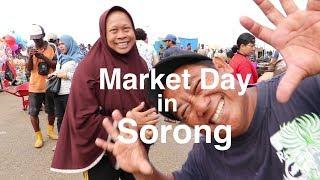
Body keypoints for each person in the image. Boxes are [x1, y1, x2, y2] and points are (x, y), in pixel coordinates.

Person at [95, 0, 320, 179]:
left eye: (198, 85)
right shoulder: (207, 154)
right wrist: (144, 173)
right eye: (184, 112)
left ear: (222, 67)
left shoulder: (304, 90)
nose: (201, 106)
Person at [51, 6, 159, 180]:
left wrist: (148, 127)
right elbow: (82, 119)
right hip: (100, 154)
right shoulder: (88, 69)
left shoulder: (140, 65)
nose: (122, 35)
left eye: (126, 29)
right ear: (104, 33)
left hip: (134, 149)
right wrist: (127, 121)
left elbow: (146, 106)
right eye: (114, 30)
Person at [26, 24, 58, 148]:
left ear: (43, 36)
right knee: (33, 113)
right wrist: (30, 57)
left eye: (38, 38)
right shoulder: (30, 49)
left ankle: (50, 131)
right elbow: (29, 70)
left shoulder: (52, 47)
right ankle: (38, 137)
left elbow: (55, 65)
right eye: (34, 39)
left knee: (51, 111)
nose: (36, 41)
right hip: (35, 87)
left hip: (49, 85)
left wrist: (42, 57)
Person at [49, 35, 84, 133]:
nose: (60, 46)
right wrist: (53, 74)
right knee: (60, 119)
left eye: (63, 43)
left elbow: (82, 77)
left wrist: (66, 75)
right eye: (59, 44)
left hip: (70, 93)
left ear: (69, 43)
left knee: (73, 119)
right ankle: (61, 143)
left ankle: (74, 143)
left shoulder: (78, 58)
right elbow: (58, 72)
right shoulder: (60, 58)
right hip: (58, 92)